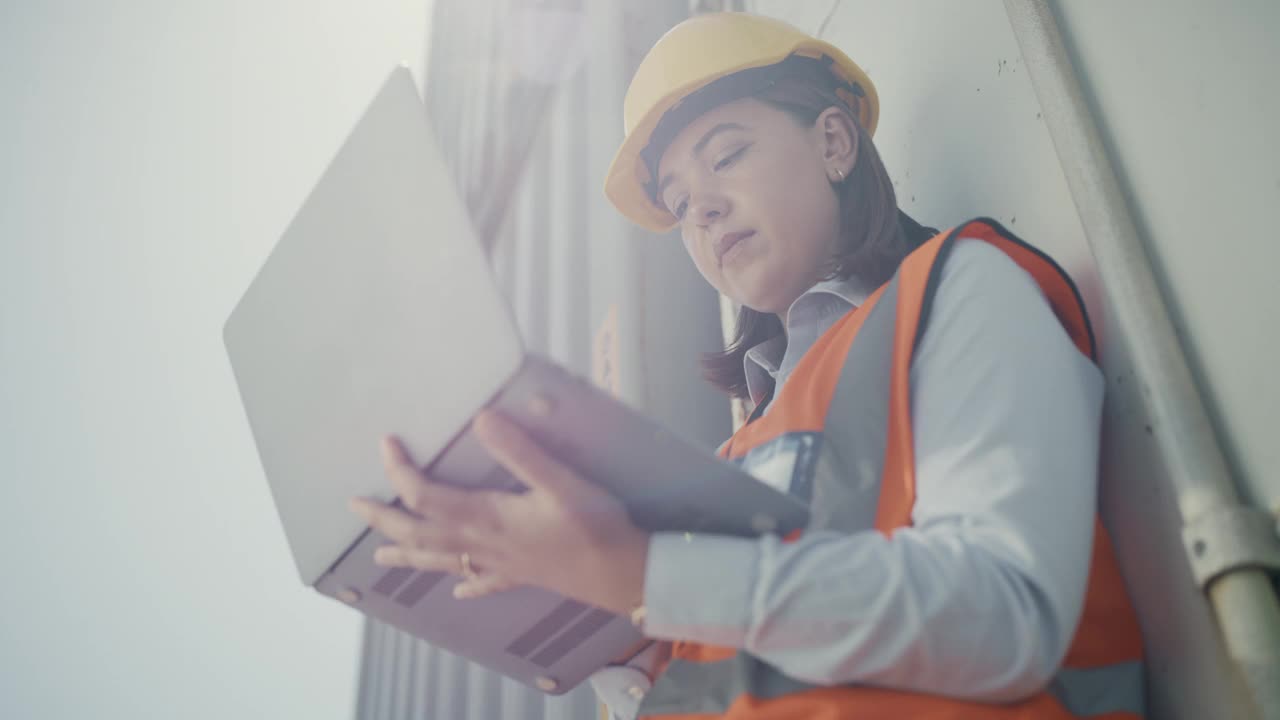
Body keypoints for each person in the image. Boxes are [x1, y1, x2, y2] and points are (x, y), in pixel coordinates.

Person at [349, 12, 1145, 720]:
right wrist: (623, 648)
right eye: (680, 201)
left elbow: (1004, 612)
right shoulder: (733, 457)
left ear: (834, 143)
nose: (702, 208)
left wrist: (647, 574)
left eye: (725, 156)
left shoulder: (959, 285)